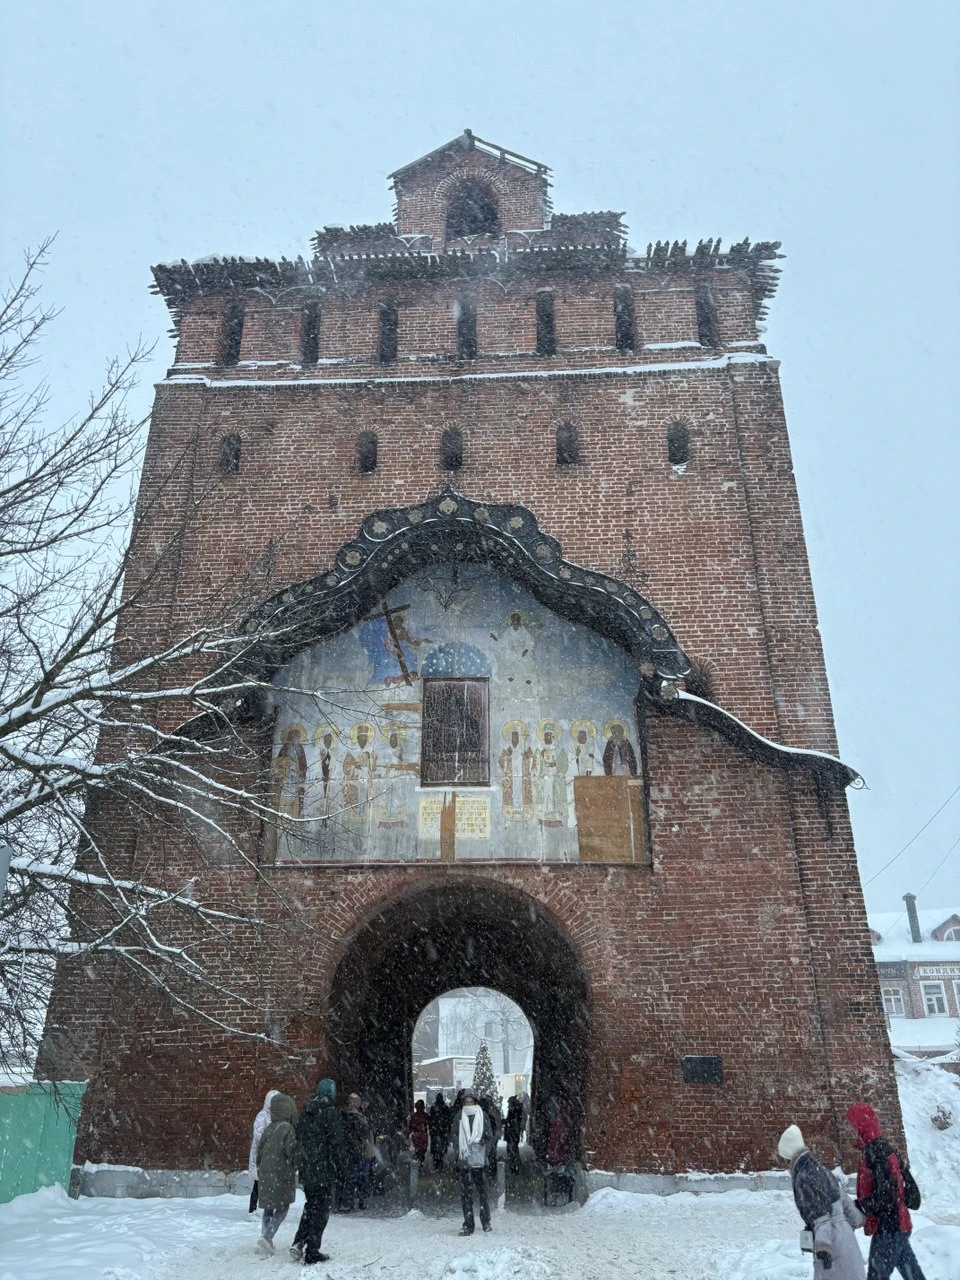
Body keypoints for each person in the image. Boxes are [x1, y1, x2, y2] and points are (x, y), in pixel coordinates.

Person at [846, 1103, 927, 1280]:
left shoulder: (875, 1151)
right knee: (911, 1272)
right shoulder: (883, 1146)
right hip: (898, 1224)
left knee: (877, 1276)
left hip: (889, 1227)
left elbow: (886, 1195)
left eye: (854, 1125)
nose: (852, 1129)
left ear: (862, 1125)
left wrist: (858, 1206)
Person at [777, 1123, 866, 1280]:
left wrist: (823, 1246)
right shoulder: (819, 1167)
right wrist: (856, 1218)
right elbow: (842, 1197)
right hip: (845, 1236)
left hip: (831, 1241)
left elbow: (821, 1217)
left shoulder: (802, 1176)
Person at [291, 1079, 345, 1266]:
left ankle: (298, 1241)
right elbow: (337, 1145)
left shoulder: (306, 1113)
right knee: (321, 1211)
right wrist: (342, 1168)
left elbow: (299, 1139)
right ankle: (312, 1251)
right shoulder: (330, 1114)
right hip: (324, 1170)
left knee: (310, 1206)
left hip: (308, 1171)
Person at [254, 1092, 298, 1257]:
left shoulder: (269, 1127)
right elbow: (290, 1150)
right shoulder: (288, 1128)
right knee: (282, 1206)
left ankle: (265, 1238)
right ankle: (267, 1237)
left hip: (266, 1171)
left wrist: (262, 1167)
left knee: (268, 1206)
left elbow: (259, 1151)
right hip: (281, 1172)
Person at [457, 1091, 492, 1236]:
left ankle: (486, 1221)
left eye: (471, 1102)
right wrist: (461, 1147)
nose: (468, 1105)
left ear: (475, 1102)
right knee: (466, 1194)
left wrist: (484, 1150)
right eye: (466, 1102)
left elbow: (489, 1136)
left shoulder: (482, 1116)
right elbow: (453, 1134)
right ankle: (468, 1224)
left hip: (479, 1160)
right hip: (465, 1160)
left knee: (482, 1192)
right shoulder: (459, 1117)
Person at [337, 1091, 373, 1212]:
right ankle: (359, 1200)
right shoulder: (358, 1117)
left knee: (349, 1177)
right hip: (358, 1151)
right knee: (361, 1177)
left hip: (348, 1151)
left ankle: (348, 1201)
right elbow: (365, 1132)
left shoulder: (342, 1115)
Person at [248, 1088, 279, 1213]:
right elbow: (258, 1134)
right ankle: (252, 1210)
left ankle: (269, 1210)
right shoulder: (262, 1116)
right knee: (258, 1185)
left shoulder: (277, 1117)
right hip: (261, 1156)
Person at [429, 1093, 450, 1171]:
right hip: (441, 1131)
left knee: (436, 1150)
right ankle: (439, 1165)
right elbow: (448, 1120)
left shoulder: (433, 1108)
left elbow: (431, 1120)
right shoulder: (445, 1108)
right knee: (441, 1150)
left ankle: (437, 1165)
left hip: (436, 1131)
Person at [504, 1095, 524, 1175]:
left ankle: (515, 1168)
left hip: (512, 1136)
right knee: (513, 1152)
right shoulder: (516, 1111)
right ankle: (515, 1167)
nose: (508, 1105)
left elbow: (514, 1124)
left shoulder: (514, 1112)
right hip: (513, 1136)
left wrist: (507, 1122)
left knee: (512, 1152)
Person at [409, 1099, 429, 1169]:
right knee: (422, 1150)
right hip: (422, 1136)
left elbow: (411, 1127)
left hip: (417, 1136)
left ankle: (418, 1161)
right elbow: (428, 1124)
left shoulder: (414, 1116)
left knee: (418, 1150)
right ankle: (420, 1161)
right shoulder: (425, 1115)